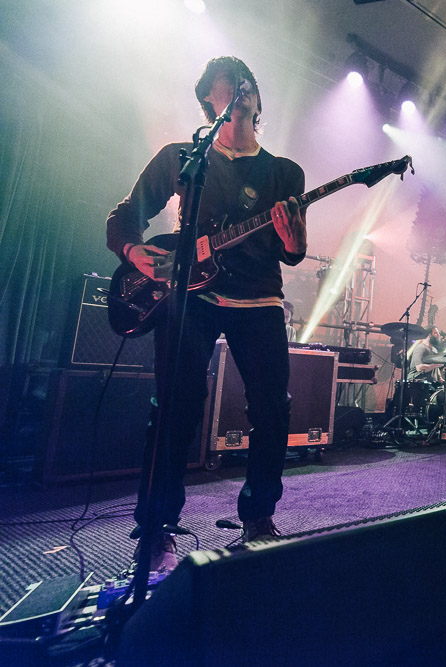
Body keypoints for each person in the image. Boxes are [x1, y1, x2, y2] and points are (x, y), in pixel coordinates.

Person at [106, 56, 307, 571]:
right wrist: (132, 251)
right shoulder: (183, 158)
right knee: (174, 408)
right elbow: (125, 215)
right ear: (208, 104)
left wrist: (292, 237)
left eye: (246, 87)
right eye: (226, 88)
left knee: (272, 409)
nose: (239, 93)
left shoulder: (284, 172)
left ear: (259, 102)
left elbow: (292, 251)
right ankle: (155, 529)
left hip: (258, 298)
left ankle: (259, 519)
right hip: (189, 296)